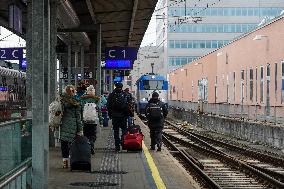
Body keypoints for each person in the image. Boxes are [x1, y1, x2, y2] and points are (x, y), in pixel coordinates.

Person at [60, 85, 83, 168]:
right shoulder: (76, 102)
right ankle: (72, 159)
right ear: (73, 92)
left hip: (63, 124)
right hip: (73, 125)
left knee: (64, 143)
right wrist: (80, 130)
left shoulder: (61, 100)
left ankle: (65, 161)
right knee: (72, 144)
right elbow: (78, 117)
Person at [107, 82, 131, 151]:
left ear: (115, 86)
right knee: (124, 130)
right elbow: (129, 105)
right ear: (122, 87)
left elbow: (108, 106)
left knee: (116, 131)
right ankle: (123, 144)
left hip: (115, 116)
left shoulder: (111, 95)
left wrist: (110, 115)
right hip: (123, 116)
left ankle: (117, 146)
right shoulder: (125, 94)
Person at [80, 85, 100, 155]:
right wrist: (100, 120)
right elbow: (99, 108)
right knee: (93, 135)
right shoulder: (96, 99)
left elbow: (80, 108)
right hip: (93, 120)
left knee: (86, 134)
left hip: (85, 120)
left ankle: (87, 147)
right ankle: (91, 144)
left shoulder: (83, 99)